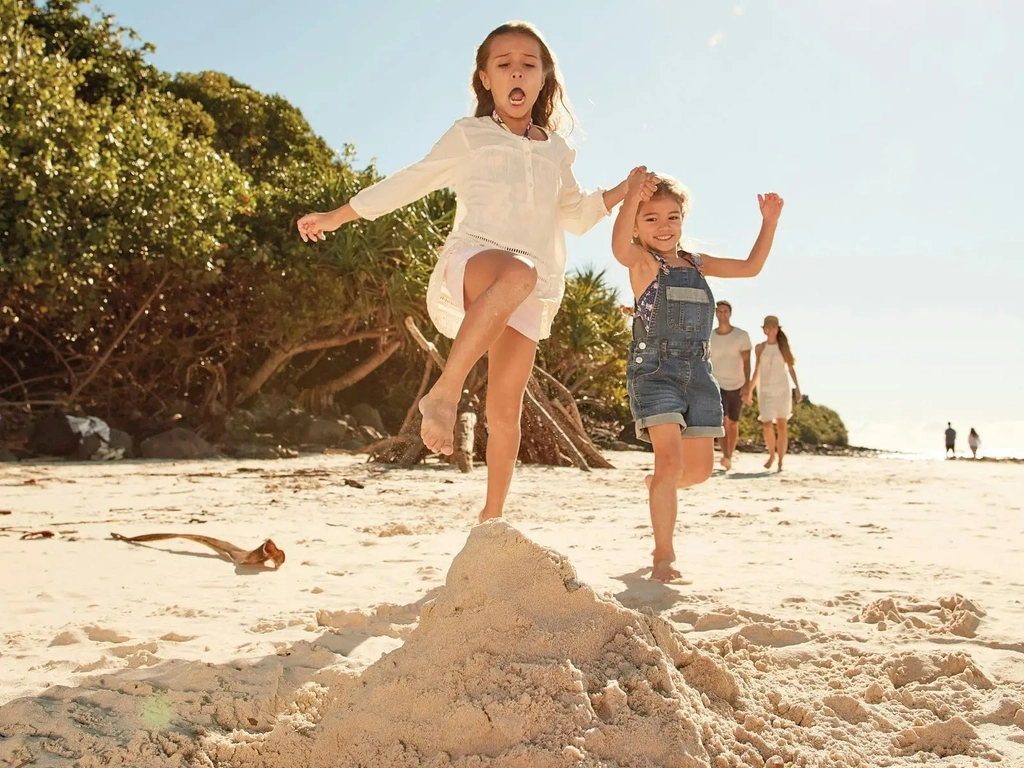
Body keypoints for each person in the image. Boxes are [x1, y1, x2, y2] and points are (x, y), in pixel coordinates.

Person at [297, 22, 632, 522]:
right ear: (485, 79)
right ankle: (446, 391)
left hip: (529, 287)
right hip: (476, 259)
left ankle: (491, 517)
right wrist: (337, 216)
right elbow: (409, 181)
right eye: (504, 64)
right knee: (517, 272)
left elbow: (575, 216)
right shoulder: (469, 135)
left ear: (542, 79)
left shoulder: (557, 150)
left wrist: (624, 189)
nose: (517, 71)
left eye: (528, 63)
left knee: (505, 409)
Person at [612, 169, 783, 581]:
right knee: (670, 464)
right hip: (655, 372)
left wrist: (769, 222)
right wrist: (631, 195)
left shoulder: (697, 263)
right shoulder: (640, 262)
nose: (663, 226)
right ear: (636, 223)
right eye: (650, 218)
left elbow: (751, 267)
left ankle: (659, 486)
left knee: (700, 472)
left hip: (699, 375)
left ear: (683, 220)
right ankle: (663, 557)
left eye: (672, 217)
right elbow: (618, 245)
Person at [750, 316, 801, 472]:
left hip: (782, 390)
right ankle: (772, 454)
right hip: (765, 390)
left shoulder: (783, 347)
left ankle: (780, 461)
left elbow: (791, 368)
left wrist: (798, 388)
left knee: (781, 425)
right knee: (766, 424)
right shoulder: (760, 347)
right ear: (764, 329)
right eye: (768, 327)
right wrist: (749, 390)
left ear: (777, 329)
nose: (771, 330)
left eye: (773, 327)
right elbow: (757, 369)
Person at [709, 300, 752, 471]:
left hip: (736, 383)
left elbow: (747, 361)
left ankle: (729, 455)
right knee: (722, 420)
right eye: (719, 311)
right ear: (715, 314)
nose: (722, 314)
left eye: (725, 311)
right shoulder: (710, 335)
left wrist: (747, 384)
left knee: (733, 423)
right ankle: (725, 456)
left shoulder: (741, 335)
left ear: (730, 313)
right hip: (716, 383)